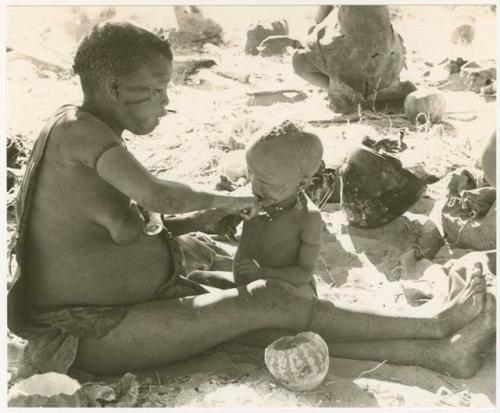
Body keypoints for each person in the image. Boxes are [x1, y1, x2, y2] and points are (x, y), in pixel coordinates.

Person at [8, 21, 493, 379]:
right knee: (268, 300)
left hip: (129, 308)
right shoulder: (78, 133)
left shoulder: (85, 134)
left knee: (269, 310)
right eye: (155, 91)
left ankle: (437, 352)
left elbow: (134, 224)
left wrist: (217, 214)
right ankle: (433, 325)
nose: (165, 102)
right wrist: (234, 197)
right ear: (114, 87)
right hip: (89, 333)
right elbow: (158, 197)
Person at [188, 120, 323, 296]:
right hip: (244, 284)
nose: (254, 185)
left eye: (265, 181)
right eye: (250, 172)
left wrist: (264, 273)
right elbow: (226, 222)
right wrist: (228, 220)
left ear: (302, 184)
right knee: (195, 278)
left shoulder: (307, 218)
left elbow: (304, 274)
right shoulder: (252, 195)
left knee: (268, 298)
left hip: (283, 290)